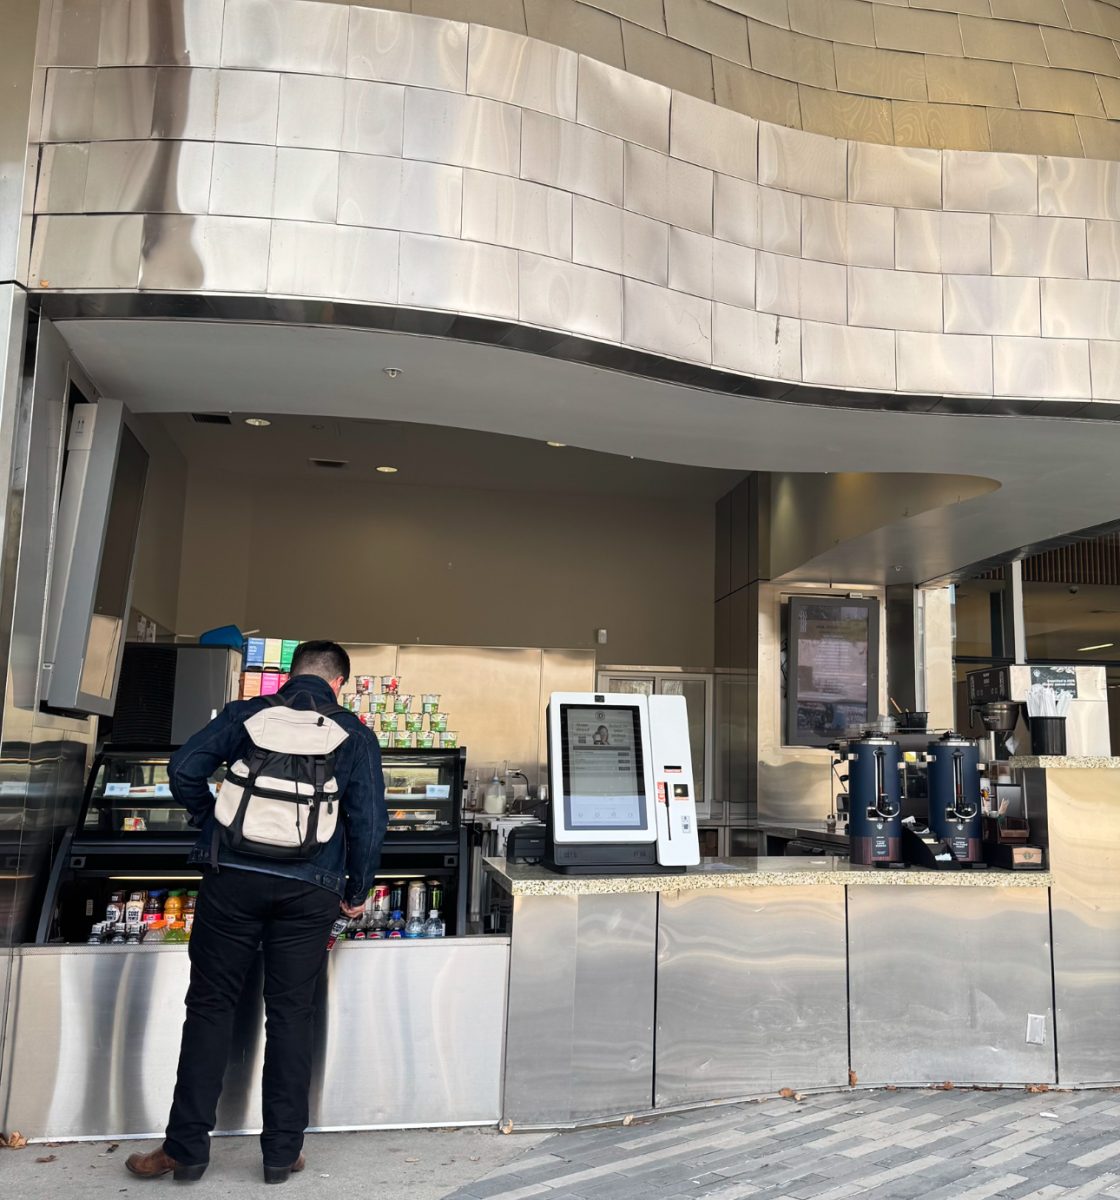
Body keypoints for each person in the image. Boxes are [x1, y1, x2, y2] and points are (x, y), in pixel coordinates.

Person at [126, 641, 386, 1185]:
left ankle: (185, 1150)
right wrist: (356, 890)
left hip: (232, 882)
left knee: (210, 1007)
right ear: (339, 682)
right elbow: (368, 824)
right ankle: (280, 1154)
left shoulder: (247, 715)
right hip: (312, 889)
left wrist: (214, 825)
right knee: (291, 1016)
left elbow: (183, 768)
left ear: (290, 677)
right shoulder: (355, 735)